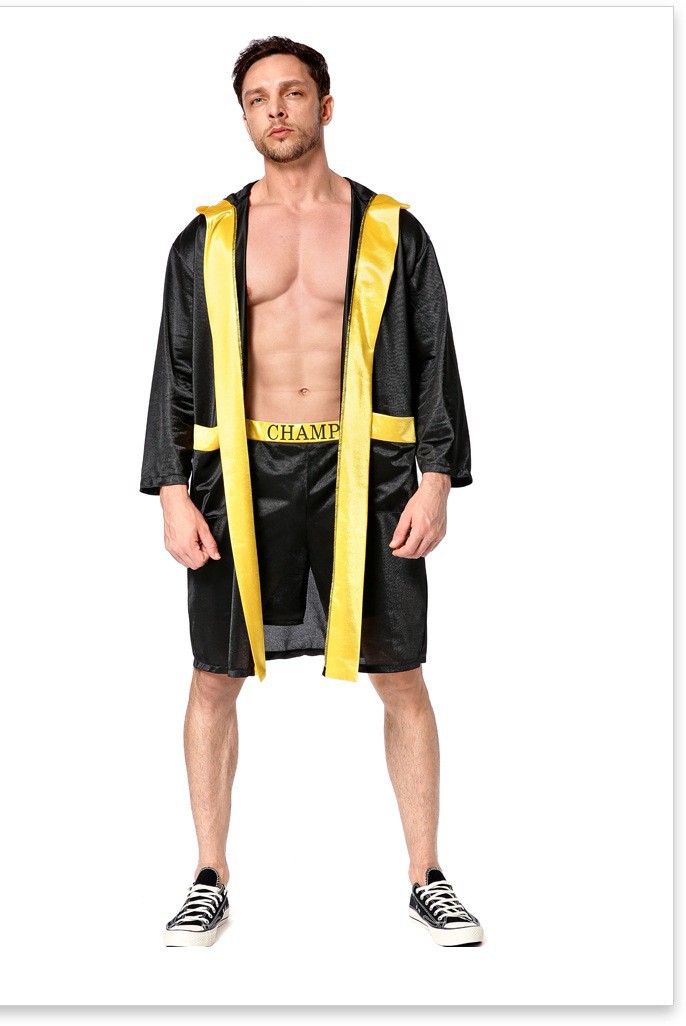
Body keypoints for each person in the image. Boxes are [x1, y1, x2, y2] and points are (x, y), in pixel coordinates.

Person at [140, 35, 483, 948]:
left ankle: (428, 875)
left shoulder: (392, 231)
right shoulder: (207, 237)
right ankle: (208, 875)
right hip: (237, 476)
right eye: (258, 99)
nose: (277, 110)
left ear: (325, 107)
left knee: (400, 672)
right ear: (245, 117)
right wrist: (172, 489)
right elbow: (177, 368)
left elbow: (433, 356)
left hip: (366, 474)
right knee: (214, 675)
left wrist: (437, 477)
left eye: (293, 94)